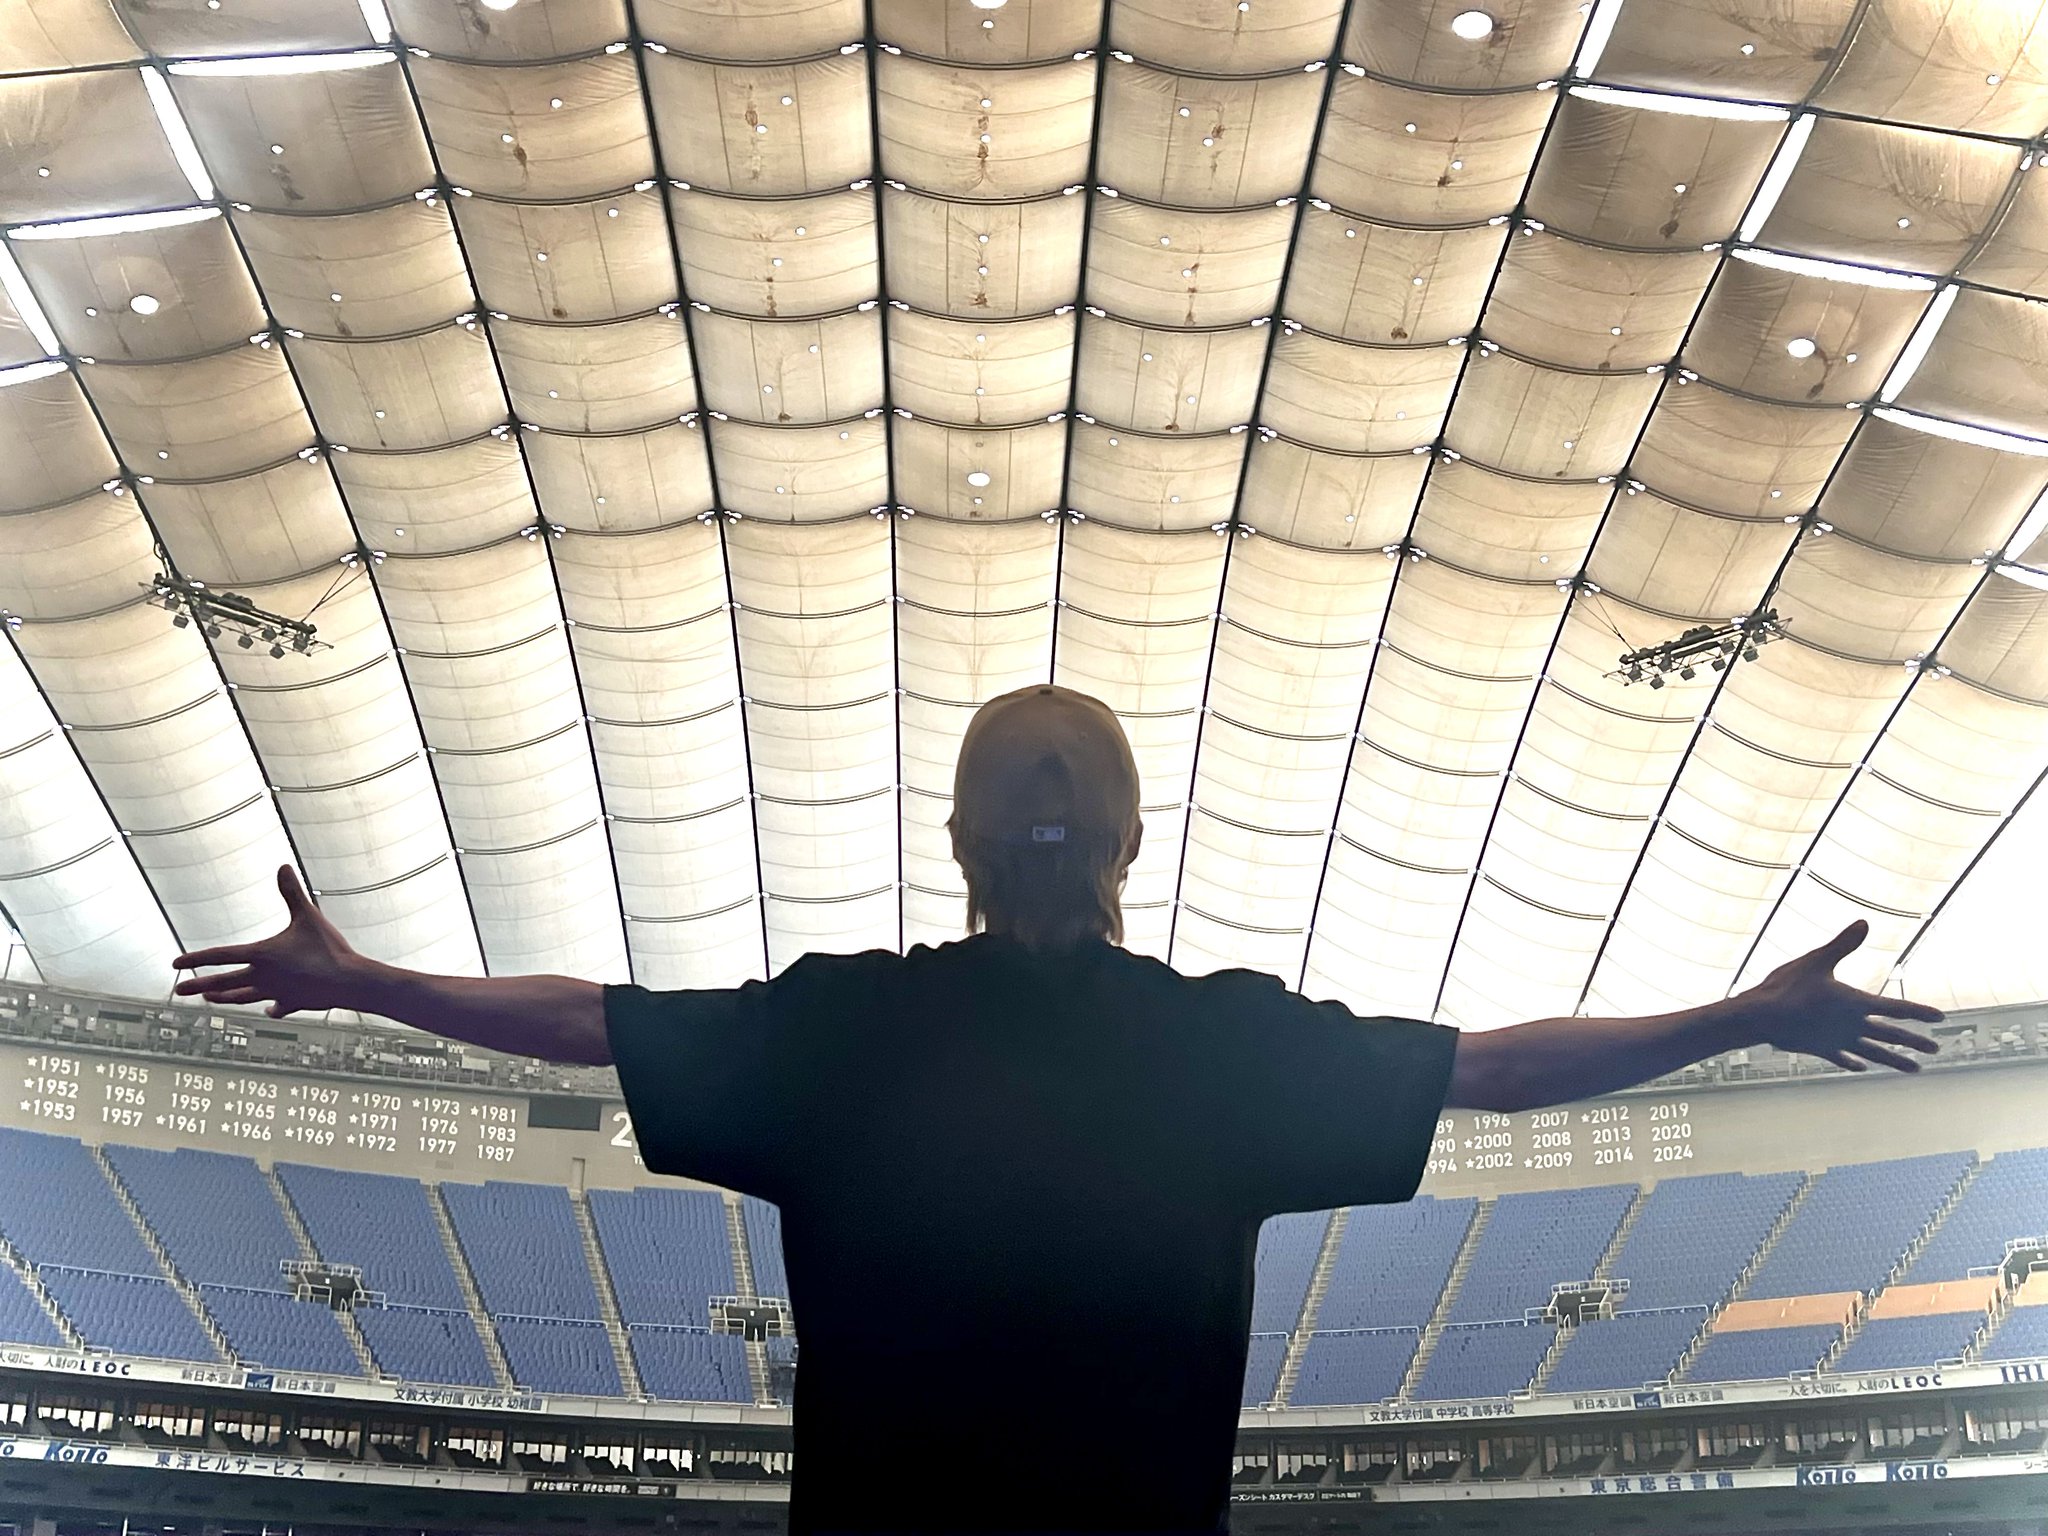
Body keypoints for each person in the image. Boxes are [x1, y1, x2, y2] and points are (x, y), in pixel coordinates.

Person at [173, 684, 1943, 1535]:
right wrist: (1740, 1019)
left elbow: (590, 1027)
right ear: (1133, 844)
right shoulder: (1224, 1051)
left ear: (953, 843)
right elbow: (1495, 1068)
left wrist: (368, 980)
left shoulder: (844, 1031)